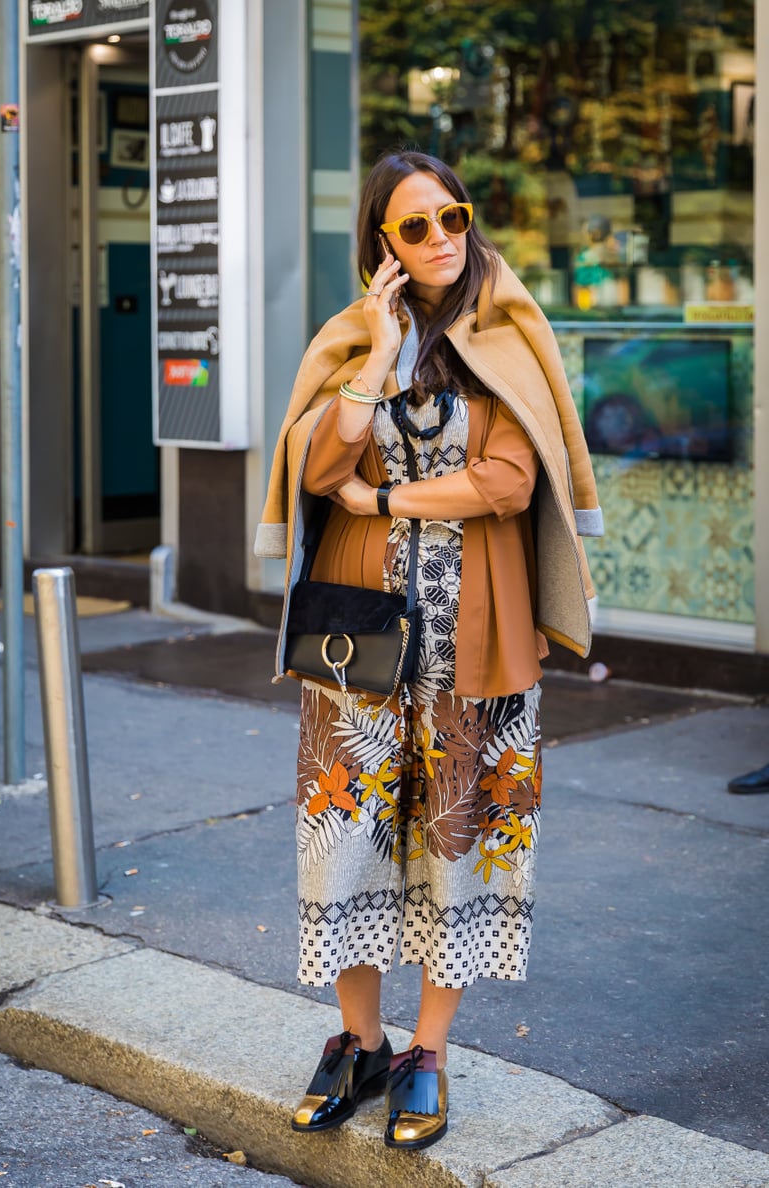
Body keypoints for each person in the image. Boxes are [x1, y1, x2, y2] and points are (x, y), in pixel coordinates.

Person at [255, 149, 603, 1151]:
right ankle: (360, 1045)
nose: (443, 239)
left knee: (458, 844)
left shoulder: (506, 332)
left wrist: (386, 498)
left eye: (453, 217)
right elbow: (317, 464)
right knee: (348, 837)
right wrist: (373, 356)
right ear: (382, 246)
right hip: (355, 641)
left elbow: (503, 481)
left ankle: (428, 1055)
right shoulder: (351, 339)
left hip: (478, 633)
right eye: (416, 227)